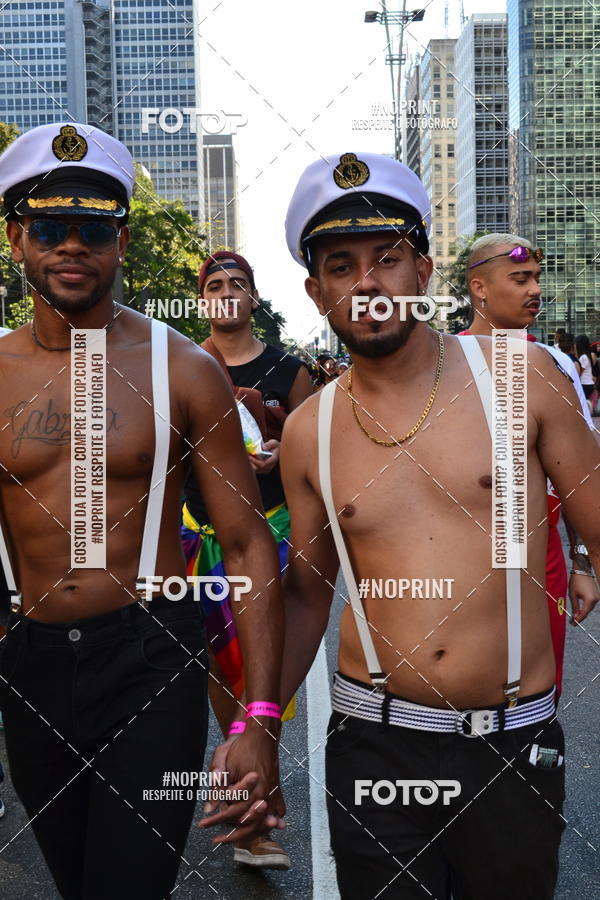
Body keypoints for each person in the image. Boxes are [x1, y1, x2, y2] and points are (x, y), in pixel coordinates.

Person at [274, 151, 599, 899]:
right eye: (342, 265)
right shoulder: (309, 429)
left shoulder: (519, 378)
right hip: (372, 745)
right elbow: (304, 595)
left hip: (512, 739)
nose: (368, 283)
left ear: (421, 272)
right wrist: (259, 725)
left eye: (387, 259)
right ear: (317, 291)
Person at [0, 123, 284, 899]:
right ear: (17, 237)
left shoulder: (185, 370)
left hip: (151, 659)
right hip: (32, 663)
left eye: (92, 229)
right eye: (50, 227)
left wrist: (258, 718)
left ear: (120, 241)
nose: (71, 247)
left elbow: (248, 545)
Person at [181, 249, 312, 870]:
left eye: (239, 283)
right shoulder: (182, 364)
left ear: (255, 297)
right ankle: (250, 806)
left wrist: (281, 448)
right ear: (202, 298)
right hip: (200, 534)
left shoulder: (288, 367)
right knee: (221, 671)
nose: (227, 292)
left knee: (265, 673)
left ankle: (255, 815)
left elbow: (316, 454)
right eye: (214, 285)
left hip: (274, 531)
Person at [461, 233, 600, 696]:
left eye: (536, 279)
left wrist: (581, 561)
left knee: (537, 700)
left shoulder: (556, 363)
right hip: (458, 563)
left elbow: (579, 478)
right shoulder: (437, 362)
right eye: (520, 279)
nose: (535, 290)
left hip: (541, 563)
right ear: (479, 287)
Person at [575, 333, 598, 401]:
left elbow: (579, 372)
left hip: (584, 383)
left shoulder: (583, 357)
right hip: (588, 383)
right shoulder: (587, 356)